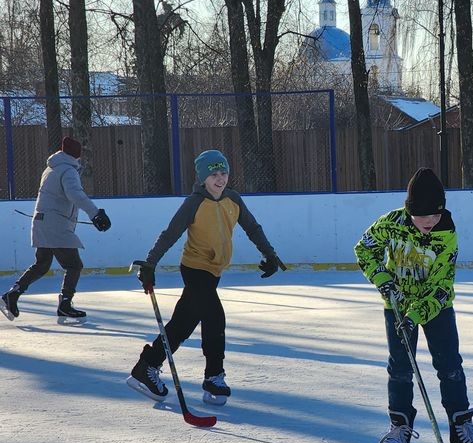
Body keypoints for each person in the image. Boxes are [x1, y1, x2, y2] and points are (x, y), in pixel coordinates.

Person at [355, 167, 473, 443]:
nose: (429, 224)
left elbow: (441, 285)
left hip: (436, 307)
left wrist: (415, 314)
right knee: (400, 368)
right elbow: (364, 249)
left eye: (434, 216)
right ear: (409, 211)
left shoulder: (446, 236)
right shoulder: (391, 224)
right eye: (422, 218)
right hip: (395, 303)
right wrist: (382, 279)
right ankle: (399, 429)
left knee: (449, 365)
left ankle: (461, 431)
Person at [126, 149, 285, 406]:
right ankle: (214, 377)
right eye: (214, 175)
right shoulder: (194, 203)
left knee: (181, 325)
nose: (220, 179)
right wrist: (150, 263)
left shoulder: (233, 199)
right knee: (214, 316)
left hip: (214, 273)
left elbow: (253, 227)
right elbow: (170, 234)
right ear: (202, 178)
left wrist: (270, 254)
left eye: (224, 173)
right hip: (194, 269)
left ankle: (146, 367)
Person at [1, 136, 111, 324]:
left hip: (42, 222)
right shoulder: (68, 171)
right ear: (76, 155)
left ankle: (13, 293)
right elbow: (75, 194)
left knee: (42, 264)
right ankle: (65, 304)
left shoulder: (51, 168)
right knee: (74, 265)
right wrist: (95, 214)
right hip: (56, 225)